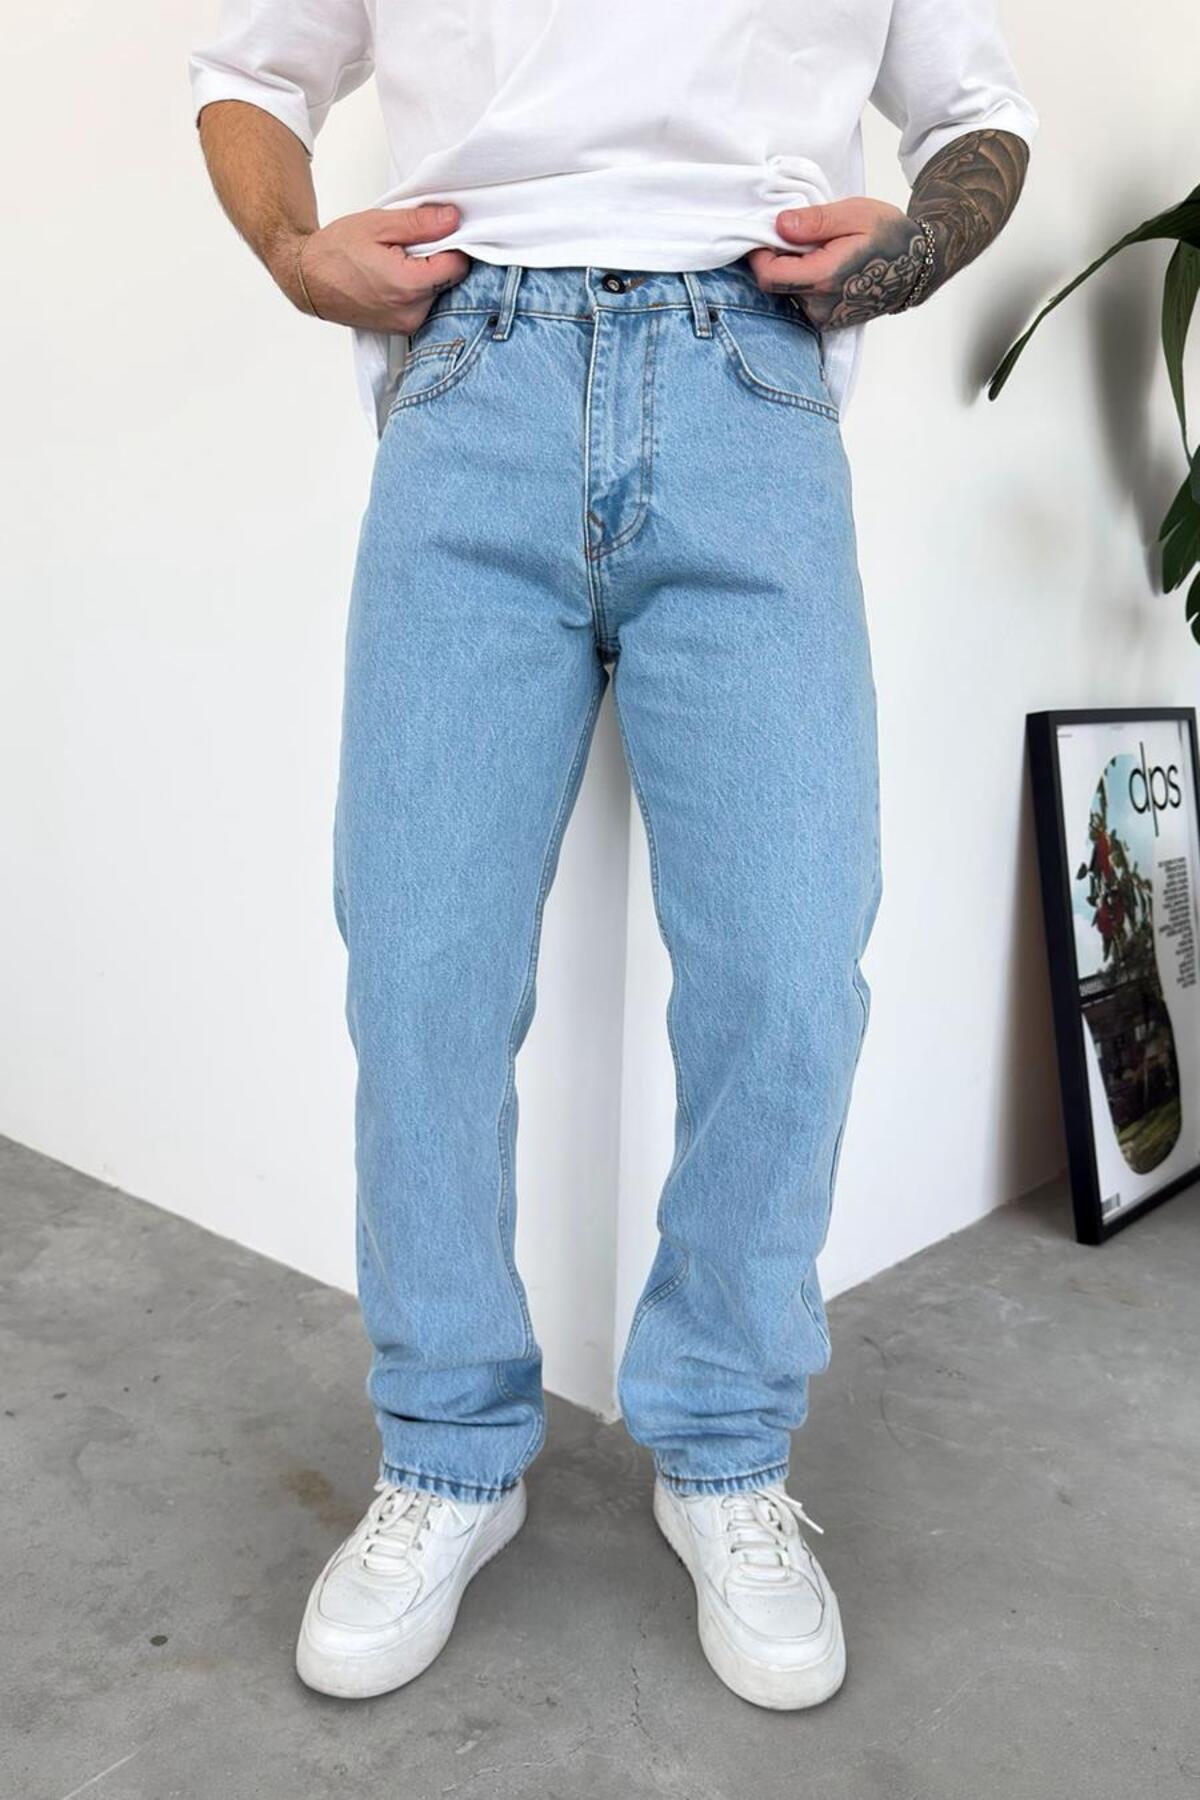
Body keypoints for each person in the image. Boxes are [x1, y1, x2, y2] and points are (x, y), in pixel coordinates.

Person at [190, 0, 1035, 1711]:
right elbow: (250, 70)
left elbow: (978, 119)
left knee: (789, 968)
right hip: (472, 376)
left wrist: (912, 251)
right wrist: (291, 248)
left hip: (751, 384)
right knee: (422, 964)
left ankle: (725, 1445)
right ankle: (447, 1449)